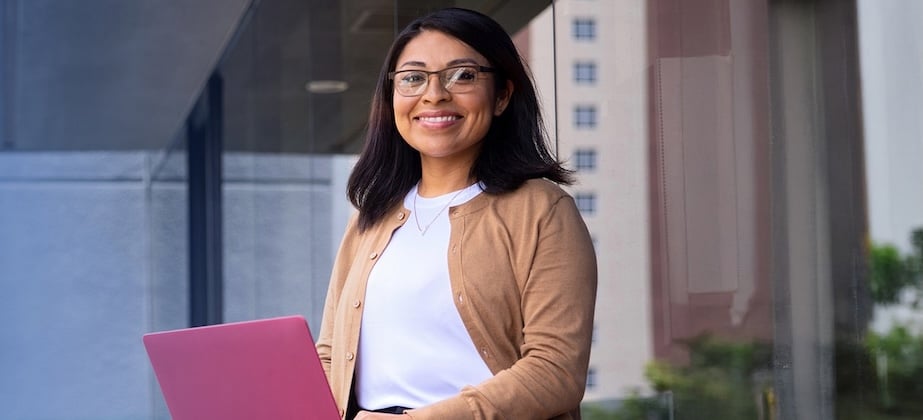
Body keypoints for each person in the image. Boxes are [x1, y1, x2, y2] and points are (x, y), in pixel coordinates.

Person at [316, 7, 597, 420]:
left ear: (502, 95)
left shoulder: (542, 209)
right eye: (413, 78)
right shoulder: (370, 216)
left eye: (462, 75)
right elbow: (331, 354)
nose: (434, 95)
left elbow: (555, 371)